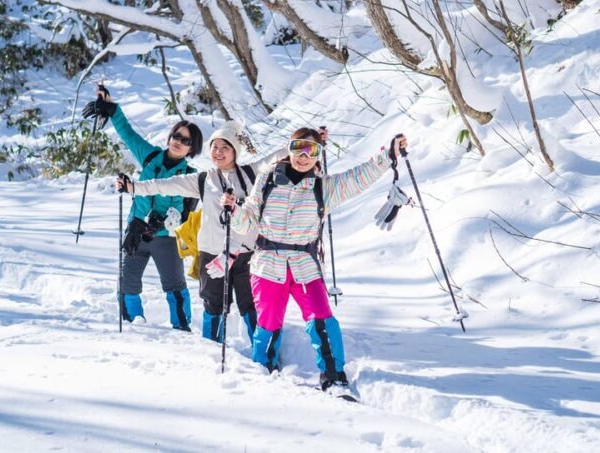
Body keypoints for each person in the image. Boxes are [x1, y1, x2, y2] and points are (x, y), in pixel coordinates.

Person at [225, 127, 408, 396]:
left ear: (318, 154)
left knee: (322, 318)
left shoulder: (324, 186)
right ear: (289, 148)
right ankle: (263, 369)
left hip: (305, 265)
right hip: (267, 263)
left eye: (311, 150)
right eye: (298, 147)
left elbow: (359, 177)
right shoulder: (266, 180)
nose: (303, 155)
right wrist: (234, 211)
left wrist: (388, 155)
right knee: (268, 322)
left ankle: (334, 376)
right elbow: (248, 220)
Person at [122, 121, 285, 344]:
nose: (218, 152)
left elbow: (275, 158)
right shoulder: (202, 179)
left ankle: (263, 353)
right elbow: (164, 185)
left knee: (250, 303)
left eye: (224, 147)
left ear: (235, 151)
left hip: (245, 253)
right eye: (214, 147)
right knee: (212, 303)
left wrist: (307, 142)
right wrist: (133, 187)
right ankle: (211, 347)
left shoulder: (251, 173)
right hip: (212, 252)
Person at [82, 87, 203, 331]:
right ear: (170, 137)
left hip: (166, 237)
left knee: (174, 284)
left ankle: (181, 329)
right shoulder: (150, 157)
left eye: (186, 141)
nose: (179, 142)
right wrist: (112, 108)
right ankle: (133, 327)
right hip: (136, 230)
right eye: (176, 136)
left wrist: (163, 221)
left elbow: (188, 207)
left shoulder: (190, 176)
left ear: (192, 149)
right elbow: (128, 134)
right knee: (128, 282)